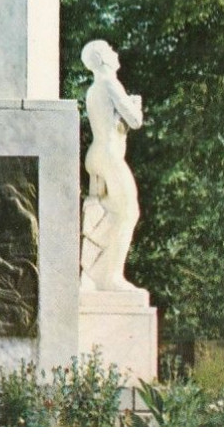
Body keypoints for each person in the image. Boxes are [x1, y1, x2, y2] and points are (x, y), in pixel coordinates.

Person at [80, 39, 143, 291]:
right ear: (103, 58)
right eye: (110, 50)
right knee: (128, 212)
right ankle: (112, 277)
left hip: (97, 154)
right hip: (108, 156)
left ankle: (94, 276)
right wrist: (135, 105)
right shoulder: (109, 83)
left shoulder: (94, 89)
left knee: (106, 214)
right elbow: (135, 120)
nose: (116, 53)